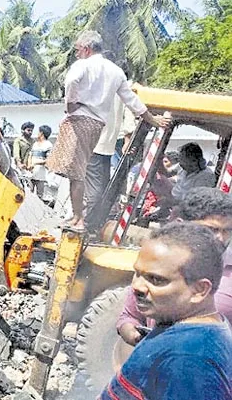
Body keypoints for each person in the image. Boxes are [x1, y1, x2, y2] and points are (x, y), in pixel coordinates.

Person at [47, 30, 170, 230]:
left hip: (79, 121)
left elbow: (71, 82)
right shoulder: (116, 71)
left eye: (78, 50)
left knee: (75, 174)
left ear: (86, 49)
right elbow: (132, 101)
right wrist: (151, 119)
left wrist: (70, 104)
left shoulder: (82, 65)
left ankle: (79, 219)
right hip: (97, 127)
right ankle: (78, 217)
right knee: (78, 175)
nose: (76, 54)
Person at [100, 222, 232, 400]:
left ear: (199, 290)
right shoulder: (187, 331)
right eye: (137, 273)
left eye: (155, 279)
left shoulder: (189, 358)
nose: (137, 286)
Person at [117, 187, 232, 345]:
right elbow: (129, 316)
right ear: (180, 225)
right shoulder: (155, 264)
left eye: (227, 231)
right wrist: (136, 337)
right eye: (211, 229)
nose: (220, 238)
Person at [84, 81, 138, 229]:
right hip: (108, 146)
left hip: (96, 145)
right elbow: (129, 115)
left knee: (96, 190)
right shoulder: (125, 88)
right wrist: (128, 139)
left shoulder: (97, 84)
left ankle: (88, 223)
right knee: (103, 188)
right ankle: (94, 223)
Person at [29, 125, 53, 199]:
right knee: (29, 195)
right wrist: (29, 164)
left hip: (41, 176)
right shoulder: (35, 144)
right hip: (31, 174)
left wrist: (36, 163)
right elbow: (30, 155)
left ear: (41, 133)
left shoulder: (48, 145)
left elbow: (48, 160)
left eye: (38, 132)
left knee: (39, 196)